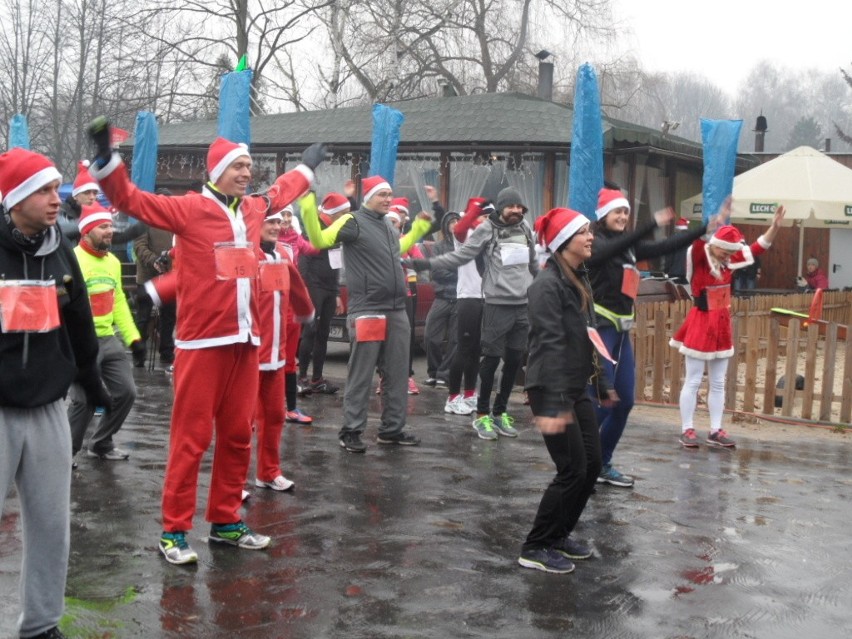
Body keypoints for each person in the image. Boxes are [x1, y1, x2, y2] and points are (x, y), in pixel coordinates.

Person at [87, 116, 326, 564]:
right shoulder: (189, 209)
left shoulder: (254, 209)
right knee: (191, 439)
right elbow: (131, 199)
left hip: (246, 342)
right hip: (201, 344)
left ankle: (225, 521)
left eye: (249, 166)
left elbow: (281, 192)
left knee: (239, 434)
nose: (246, 172)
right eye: (237, 166)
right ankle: (174, 531)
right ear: (216, 172)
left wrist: (307, 168)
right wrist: (107, 162)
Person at [0, 148, 110, 639]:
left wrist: (91, 378)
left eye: (55, 189)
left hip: (48, 410)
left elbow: (80, 320)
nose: (55, 199)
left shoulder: (61, 249)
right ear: (17, 196)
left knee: (51, 528)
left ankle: (41, 625)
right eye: (44, 190)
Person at [299, 175, 432, 453]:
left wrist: (419, 228)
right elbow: (319, 239)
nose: (387, 199)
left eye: (389, 195)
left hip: (396, 309)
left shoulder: (388, 225)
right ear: (368, 196)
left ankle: (392, 429)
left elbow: (400, 250)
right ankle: (351, 430)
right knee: (361, 372)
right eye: (382, 194)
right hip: (368, 309)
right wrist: (308, 206)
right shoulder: (352, 221)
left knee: (396, 372)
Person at [586, 188, 707, 488]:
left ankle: (602, 462)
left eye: (626, 212)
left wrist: (705, 228)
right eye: (618, 211)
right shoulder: (594, 243)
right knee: (601, 400)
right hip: (600, 327)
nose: (623, 216)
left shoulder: (629, 247)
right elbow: (609, 252)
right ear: (603, 215)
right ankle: (578, 454)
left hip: (622, 330)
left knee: (624, 402)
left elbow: (667, 245)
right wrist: (650, 223)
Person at [519, 207, 616, 574]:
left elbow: (590, 336)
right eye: (583, 233)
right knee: (571, 468)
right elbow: (549, 342)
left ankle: (559, 535)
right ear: (563, 242)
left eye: (590, 231)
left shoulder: (580, 279)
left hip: (575, 388)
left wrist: (603, 383)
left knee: (590, 466)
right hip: (550, 389)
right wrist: (558, 401)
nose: (591, 237)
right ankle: (535, 545)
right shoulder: (545, 286)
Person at [412, 187, 537, 441]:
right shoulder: (484, 230)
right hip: (493, 303)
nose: (516, 210)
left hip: (521, 306)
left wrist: (544, 287)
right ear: (501, 208)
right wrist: (426, 264)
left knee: (514, 360)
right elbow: (460, 254)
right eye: (510, 206)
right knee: (486, 358)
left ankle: (500, 413)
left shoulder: (525, 229)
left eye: (519, 207)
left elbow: (533, 263)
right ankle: (481, 414)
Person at [671, 203, 786, 448]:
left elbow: (757, 247)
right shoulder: (700, 256)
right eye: (723, 250)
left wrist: (774, 227)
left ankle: (715, 429)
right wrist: (714, 222)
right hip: (701, 322)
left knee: (719, 381)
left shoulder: (730, 261)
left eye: (729, 251)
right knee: (692, 380)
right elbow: (699, 243)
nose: (726, 255)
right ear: (715, 245)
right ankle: (687, 429)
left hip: (722, 323)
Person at [67, 204, 145, 462]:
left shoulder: (112, 261)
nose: (110, 231)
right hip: (80, 342)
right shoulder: (73, 259)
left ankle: (101, 443)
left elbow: (119, 300)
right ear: (87, 231)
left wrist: (133, 337)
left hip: (109, 339)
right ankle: (66, 454)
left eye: (111, 226)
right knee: (84, 401)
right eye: (103, 227)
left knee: (126, 392)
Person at [251, 207, 315, 493]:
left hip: (276, 355)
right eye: (270, 222)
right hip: (250, 354)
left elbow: (295, 292)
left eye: (279, 221)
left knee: (275, 415)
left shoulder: (284, 254)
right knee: (243, 424)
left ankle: (268, 472)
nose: (276, 226)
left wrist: (304, 312)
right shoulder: (246, 255)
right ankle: (233, 482)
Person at [441, 198, 491, 416]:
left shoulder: (488, 238)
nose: (487, 221)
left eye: (490, 217)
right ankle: (452, 397)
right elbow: (460, 227)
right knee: (463, 348)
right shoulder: (465, 235)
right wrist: (475, 209)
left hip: (485, 298)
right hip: (468, 298)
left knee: (476, 350)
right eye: (484, 216)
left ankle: (470, 394)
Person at [297, 192, 350, 395]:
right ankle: (301, 377)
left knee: (323, 333)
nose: (346, 216)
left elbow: (336, 263)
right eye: (343, 212)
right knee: (309, 331)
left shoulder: (337, 230)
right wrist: (305, 289)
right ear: (335, 213)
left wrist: (336, 292)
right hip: (313, 286)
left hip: (329, 288)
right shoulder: (313, 227)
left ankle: (317, 378)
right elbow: (304, 261)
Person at [276, 203, 320, 425]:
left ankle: (291, 408)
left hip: (289, 306)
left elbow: (316, 248)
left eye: (285, 216)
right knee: (262, 360)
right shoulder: (254, 243)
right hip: (267, 309)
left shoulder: (295, 239)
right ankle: (254, 411)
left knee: (289, 359)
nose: (282, 221)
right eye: (276, 218)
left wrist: (311, 215)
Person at [134, 188, 176, 367]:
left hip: (169, 278)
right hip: (148, 277)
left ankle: (166, 354)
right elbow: (140, 247)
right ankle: (139, 353)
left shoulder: (175, 222)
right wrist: (154, 261)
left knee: (169, 317)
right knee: (143, 318)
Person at [422, 210, 459, 388]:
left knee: (455, 339)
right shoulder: (438, 247)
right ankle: (434, 372)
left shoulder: (467, 246)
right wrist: (457, 269)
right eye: (451, 222)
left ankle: (445, 375)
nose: (454, 225)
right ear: (445, 226)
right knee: (431, 336)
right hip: (442, 297)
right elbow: (436, 271)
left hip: (460, 298)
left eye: (457, 222)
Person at [663, 218, 691, 284]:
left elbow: (669, 257)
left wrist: (666, 270)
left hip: (674, 273)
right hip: (689, 274)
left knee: (675, 293)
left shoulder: (672, 239)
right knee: (687, 293)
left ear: (677, 228)